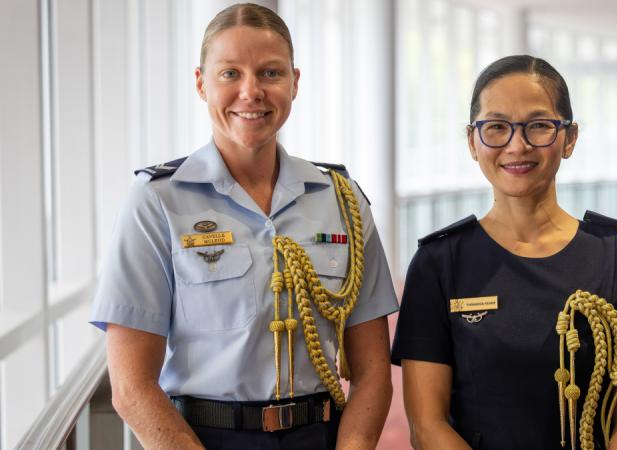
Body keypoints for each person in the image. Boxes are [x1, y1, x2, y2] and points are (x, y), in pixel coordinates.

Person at [89, 4, 398, 449]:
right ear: (201, 83)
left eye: (270, 73)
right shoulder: (157, 202)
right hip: (203, 438)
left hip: (321, 435)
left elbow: (372, 373)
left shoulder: (342, 200)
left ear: (295, 81)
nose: (251, 92)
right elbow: (132, 388)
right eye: (230, 73)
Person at [391, 55, 617, 450]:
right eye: (496, 127)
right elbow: (427, 424)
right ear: (473, 142)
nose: (517, 145)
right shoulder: (439, 263)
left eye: (539, 126)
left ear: (570, 137)